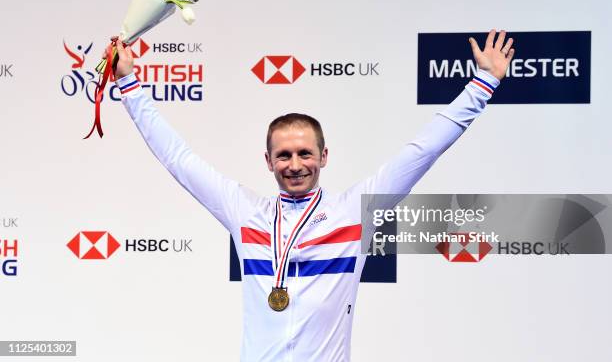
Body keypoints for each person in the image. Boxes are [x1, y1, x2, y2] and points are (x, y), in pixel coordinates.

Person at [110, 29, 514, 361]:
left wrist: (483, 84)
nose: (295, 164)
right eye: (283, 155)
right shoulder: (244, 212)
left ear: (324, 156)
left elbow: (422, 151)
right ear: (268, 161)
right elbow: (178, 158)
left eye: (305, 152)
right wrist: (128, 84)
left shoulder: (354, 213)